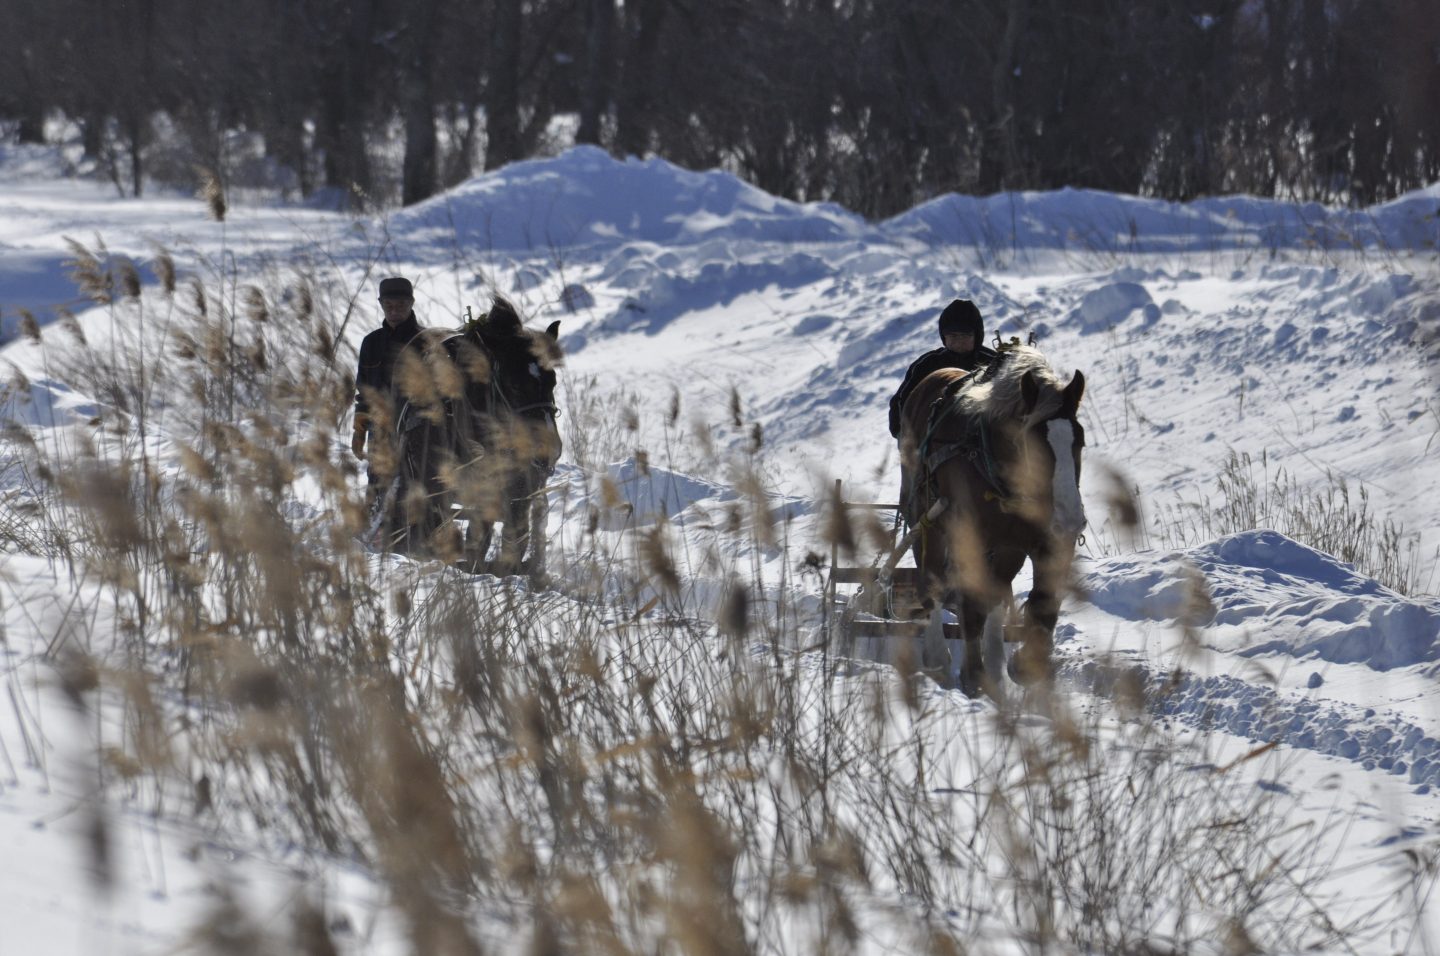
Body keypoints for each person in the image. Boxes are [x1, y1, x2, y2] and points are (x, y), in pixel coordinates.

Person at [887, 299, 997, 439]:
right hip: (936, 442)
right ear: (943, 336)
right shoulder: (927, 364)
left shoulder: (992, 363)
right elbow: (903, 400)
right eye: (952, 335)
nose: (958, 341)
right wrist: (904, 436)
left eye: (965, 335)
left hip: (986, 440)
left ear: (977, 336)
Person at [352, 276, 424, 482]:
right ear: (380, 304)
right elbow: (364, 393)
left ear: (411, 303)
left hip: (418, 434)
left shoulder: (426, 341)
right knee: (378, 489)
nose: (394, 311)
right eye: (388, 305)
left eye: (401, 305)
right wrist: (359, 432)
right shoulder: (371, 343)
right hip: (380, 432)